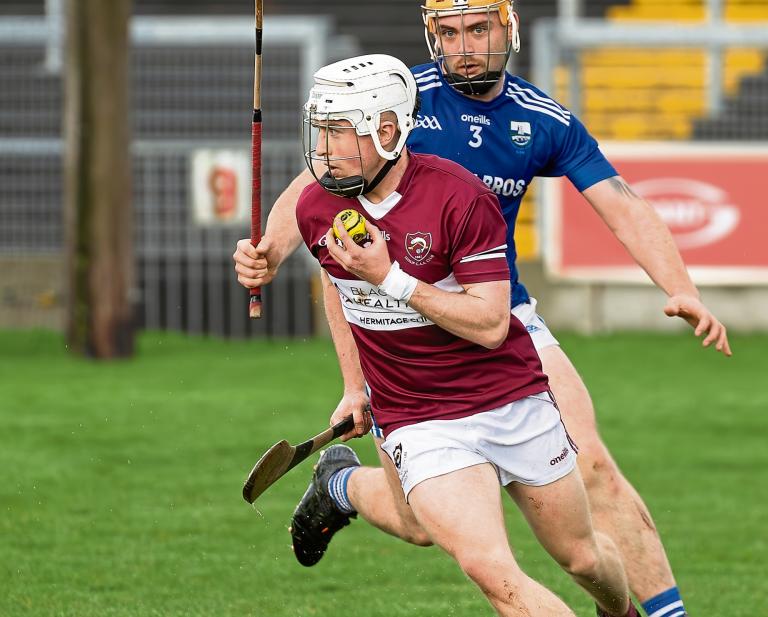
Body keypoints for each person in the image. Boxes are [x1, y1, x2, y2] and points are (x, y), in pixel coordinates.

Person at [233, 2, 730, 616]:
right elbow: (317, 190)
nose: (463, 45)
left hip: (496, 315)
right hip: (401, 329)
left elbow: (622, 204)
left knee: (593, 466)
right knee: (422, 527)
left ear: (508, 28)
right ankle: (343, 487)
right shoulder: (399, 99)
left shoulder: (538, 119)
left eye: (478, 29)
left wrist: (680, 286)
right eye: (448, 31)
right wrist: (271, 253)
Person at [293, 51, 640, 617]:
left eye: (338, 132)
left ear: (386, 130)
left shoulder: (459, 197)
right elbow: (339, 284)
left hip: (510, 397)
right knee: (492, 572)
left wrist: (392, 278)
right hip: (420, 416)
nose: (323, 149)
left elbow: (490, 323)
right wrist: (355, 386)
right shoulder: (317, 206)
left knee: (582, 558)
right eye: (320, 131)